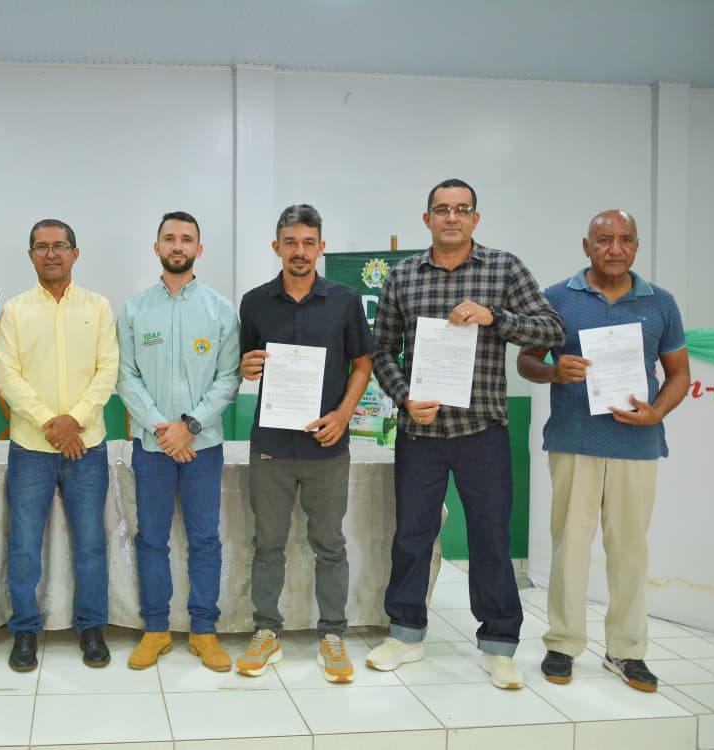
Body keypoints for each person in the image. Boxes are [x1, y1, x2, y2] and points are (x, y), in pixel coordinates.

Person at [367, 178, 565, 689]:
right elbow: (382, 349)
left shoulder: (503, 268)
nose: (451, 217)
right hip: (420, 432)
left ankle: (498, 644)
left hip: (483, 431)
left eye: (462, 209)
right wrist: (404, 395)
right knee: (411, 537)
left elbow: (551, 329)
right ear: (427, 218)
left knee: (491, 539)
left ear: (476, 218)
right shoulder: (403, 275)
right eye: (441, 209)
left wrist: (494, 316)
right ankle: (405, 633)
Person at [517, 210, 689, 693]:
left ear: (637, 245)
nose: (616, 248)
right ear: (586, 245)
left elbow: (679, 374)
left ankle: (627, 651)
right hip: (574, 441)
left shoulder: (661, 303)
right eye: (605, 239)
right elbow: (527, 360)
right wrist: (555, 372)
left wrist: (657, 412)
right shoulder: (556, 298)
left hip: (638, 444)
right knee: (569, 547)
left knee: (630, 551)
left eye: (626, 239)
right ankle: (563, 644)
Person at [235, 204, 373, 684]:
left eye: (308, 242)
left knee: (329, 545)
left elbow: (362, 364)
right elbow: (245, 363)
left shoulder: (345, 300)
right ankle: (266, 631)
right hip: (271, 444)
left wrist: (343, 415)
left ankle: (331, 634)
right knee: (267, 545)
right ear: (276, 247)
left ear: (321, 246)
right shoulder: (254, 302)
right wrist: (246, 369)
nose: (299, 251)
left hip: (327, 445)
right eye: (290, 242)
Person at [117, 211, 241, 672]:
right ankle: (156, 629)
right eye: (169, 238)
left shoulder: (220, 310)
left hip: (202, 447)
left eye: (186, 239)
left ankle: (204, 631)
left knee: (204, 539)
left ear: (198, 250)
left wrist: (189, 425)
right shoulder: (133, 310)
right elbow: (124, 377)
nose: (177, 245)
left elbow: (228, 378)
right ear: (156, 248)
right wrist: (160, 429)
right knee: (151, 539)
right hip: (151, 448)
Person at [0, 219, 119, 672]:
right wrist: (52, 423)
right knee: (25, 544)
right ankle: (25, 629)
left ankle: (91, 627)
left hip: (88, 446)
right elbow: (8, 376)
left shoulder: (99, 307)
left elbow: (108, 370)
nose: (51, 253)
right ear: (30, 255)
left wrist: (75, 422)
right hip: (31, 447)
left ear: (75, 253)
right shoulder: (15, 310)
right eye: (42, 247)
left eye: (60, 246)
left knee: (89, 543)